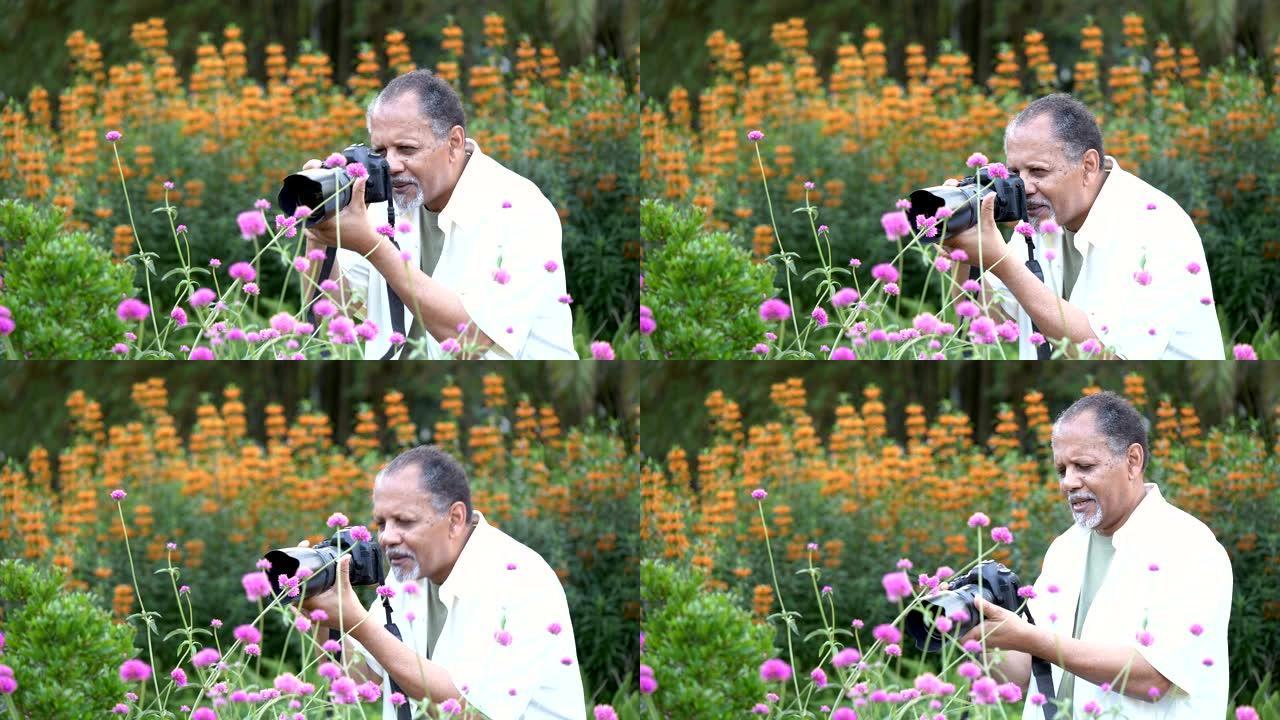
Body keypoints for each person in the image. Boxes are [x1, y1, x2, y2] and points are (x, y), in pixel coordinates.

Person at [961, 391, 1231, 719]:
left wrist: (1032, 639)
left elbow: (1156, 679)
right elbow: (1024, 676)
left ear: (1133, 461)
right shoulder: (1065, 547)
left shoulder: (1189, 547)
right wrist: (975, 633)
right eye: (1062, 470)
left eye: (1084, 466)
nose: (1069, 483)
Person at [301, 69, 577, 360]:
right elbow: (332, 307)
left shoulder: (520, 209)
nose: (391, 165)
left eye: (406, 149)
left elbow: (473, 341)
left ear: (454, 143)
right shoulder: (388, 200)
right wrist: (318, 232)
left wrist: (373, 246)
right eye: (380, 151)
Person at [301, 445, 585, 719]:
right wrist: (318, 612)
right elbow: (360, 682)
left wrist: (359, 624)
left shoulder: (519, 580)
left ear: (455, 519)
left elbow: (469, 713)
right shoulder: (410, 570)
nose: (387, 537)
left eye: (404, 521)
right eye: (381, 523)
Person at [943, 93, 1224, 359]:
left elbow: (1106, 353)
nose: (1024, 187)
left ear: (1089, 165)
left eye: (1039, 171)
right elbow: (982, 324)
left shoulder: (1154, 226)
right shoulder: (1043, 216)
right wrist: (962, 254)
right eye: (1015, 173)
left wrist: (1002, 262)